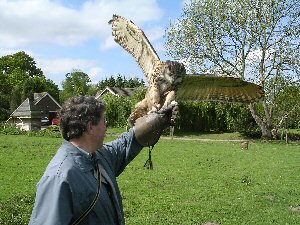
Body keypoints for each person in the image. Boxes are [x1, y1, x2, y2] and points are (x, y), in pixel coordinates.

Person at [29, 95, 177, 225]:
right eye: (103, 121)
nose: (106, 127)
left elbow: (126, 143)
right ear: (90, 127)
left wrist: (158, 119)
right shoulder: (60, 177)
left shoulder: (98, 155)